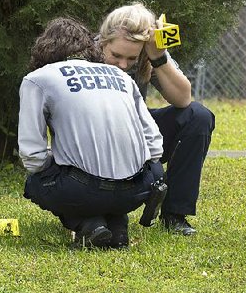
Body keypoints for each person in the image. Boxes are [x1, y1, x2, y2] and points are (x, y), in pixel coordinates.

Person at [19, 18, 164, 249]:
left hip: (82, 190)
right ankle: (117, 228)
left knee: (35, 182)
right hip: (140, 187)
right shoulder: (122, 78)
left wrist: (56, 161)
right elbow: (155, 146)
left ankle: (88, 223)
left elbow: (32, 157)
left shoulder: (38, 79)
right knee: (142, 172)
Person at [98, 3, 215, 236]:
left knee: (197, 116)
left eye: (131, 58)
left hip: (136, 127)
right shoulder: (86, 53)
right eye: (116, 55)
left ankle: (174, 215)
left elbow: (183, 99)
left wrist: (158, 57)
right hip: (98, 132)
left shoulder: (150, 54)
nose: (123, 65)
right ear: (103, 42)